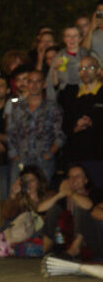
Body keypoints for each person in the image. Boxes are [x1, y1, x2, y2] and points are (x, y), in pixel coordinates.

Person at [7, 70, 65, 185]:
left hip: (43, 161)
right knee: (17, 195)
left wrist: (49, 154)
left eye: (38, 81)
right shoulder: (17, 107)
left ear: (43, 84)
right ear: (27, 84)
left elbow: (60, 134)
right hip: (21, 160)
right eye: (30, 81)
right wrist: (14, 155)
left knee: (42, 196)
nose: (34, 85)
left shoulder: (52, 107)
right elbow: (10, 132)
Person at [37, 165, 103, 259]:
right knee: (53, 210)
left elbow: (88, 206)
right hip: (66, 237)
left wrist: (71, 193)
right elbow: (40, 209)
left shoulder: (95, 193)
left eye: (78, 176)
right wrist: (60, 194)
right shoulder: (65, 196)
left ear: (86, 180)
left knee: (81, 207)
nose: (73, 179)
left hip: (88, 238)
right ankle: (47, 250)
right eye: (70, 177)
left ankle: (75, 249)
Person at [59, 56, 103, 190]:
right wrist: (75, 127)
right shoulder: (72, 96)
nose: (85, 71)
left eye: (90, 67)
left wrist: (93, 123)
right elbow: (64, 125)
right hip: (76, 157)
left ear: (99, 71)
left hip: (99, 158)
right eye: (82, 68)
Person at [46, 26, 89, 101]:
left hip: (86, 93)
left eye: (75, 36)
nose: (72, 39)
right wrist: (55, 69)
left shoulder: (87, 55)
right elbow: (54, 85)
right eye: (68, 36)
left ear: (80, 38)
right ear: (64, 39)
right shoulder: (58, 56)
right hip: (66, 96)